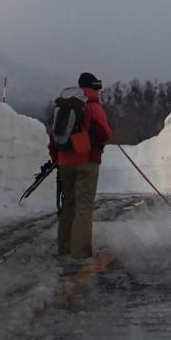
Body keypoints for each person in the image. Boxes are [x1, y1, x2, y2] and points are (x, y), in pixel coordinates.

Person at [49, 72, 113, 260]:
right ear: (94, 88)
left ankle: (64, 248)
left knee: (68, 205)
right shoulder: (93, 107)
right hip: (86, 160)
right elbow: (106, 133)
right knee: (83, 207)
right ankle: (80, 252)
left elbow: (53, 136)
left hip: (64, 161)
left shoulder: (64, 105)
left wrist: (56, 158)